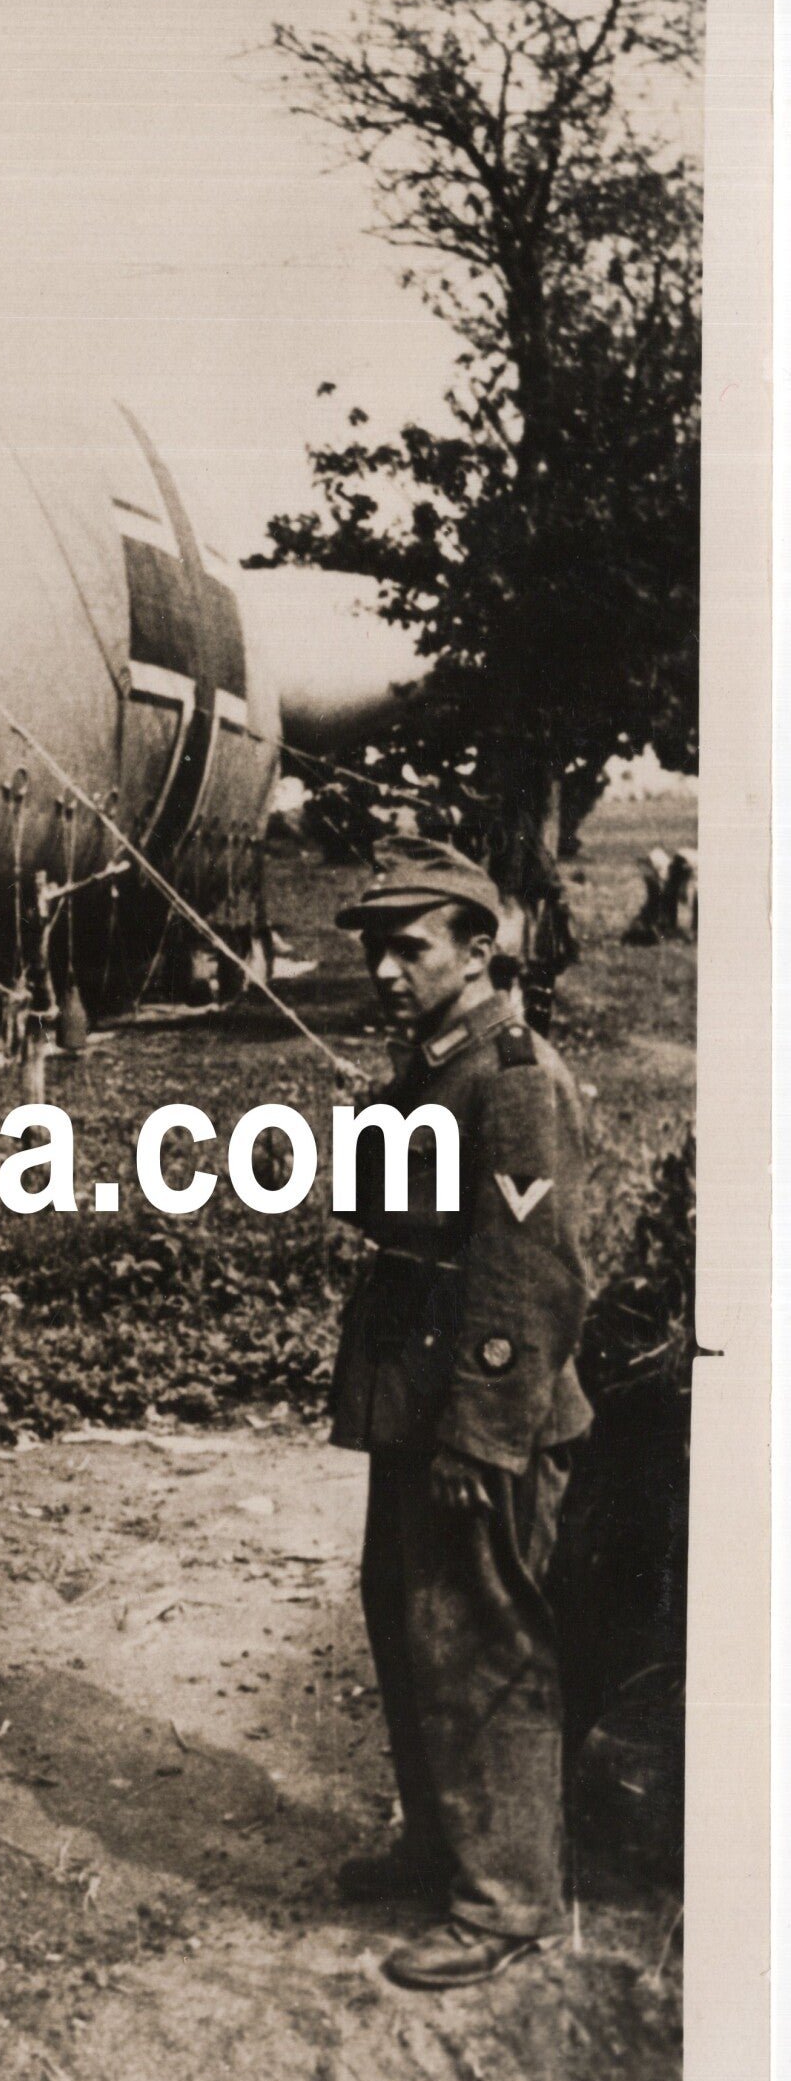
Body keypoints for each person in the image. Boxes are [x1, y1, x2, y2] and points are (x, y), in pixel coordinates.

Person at [328, 836, 592, 1990]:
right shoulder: (439, 1063)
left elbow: (528, 1272)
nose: (383, 968)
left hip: (478, 1411)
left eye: (408, 945)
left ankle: (507, 1900)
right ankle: (440, 1847)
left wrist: (480, 1436)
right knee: (405, 1615)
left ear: (480, 950)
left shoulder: (513, 1076)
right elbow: (394, 1215)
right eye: (373, 948)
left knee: (477, 1639)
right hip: (413, 1400)